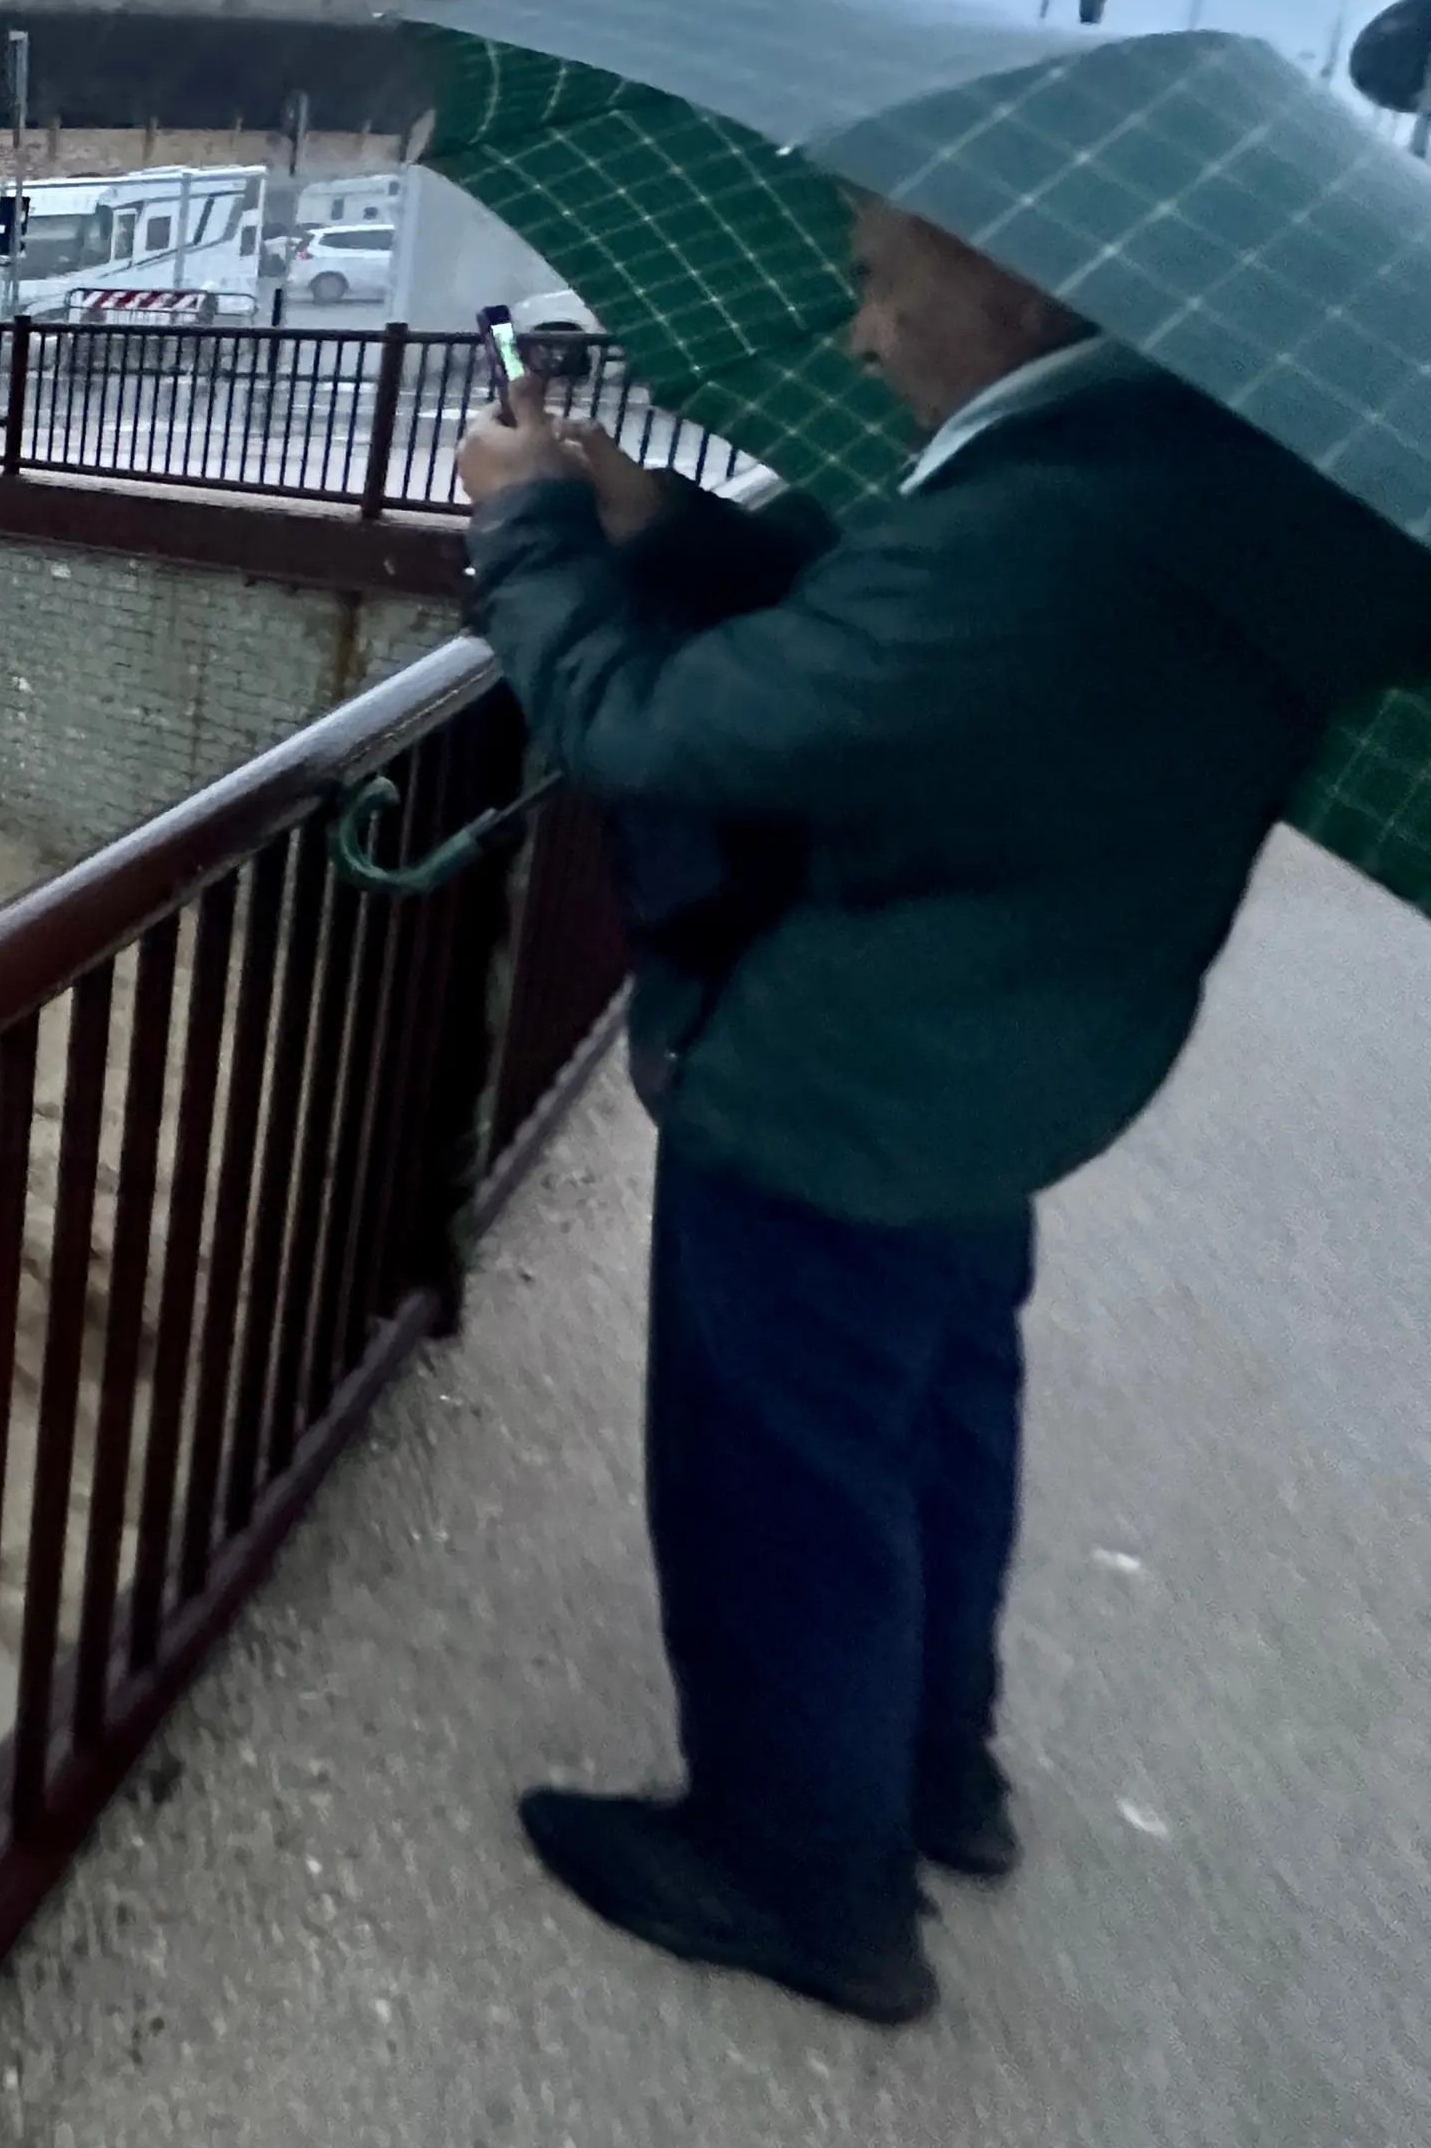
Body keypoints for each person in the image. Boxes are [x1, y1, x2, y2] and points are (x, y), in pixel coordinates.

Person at [454, 196, 1431, 2025]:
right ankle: (932, 1773)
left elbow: (653, 732)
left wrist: (528, 542)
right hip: (1011, 1065)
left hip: (844, 1084)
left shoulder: (1054, 527)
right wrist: (666, 527)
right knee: (935, 1420)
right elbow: (879, 650)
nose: (860, 335)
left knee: (787, 1488)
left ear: (1022, 282)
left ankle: (801, 1878)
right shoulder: (1202, 481)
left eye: (882, 284)